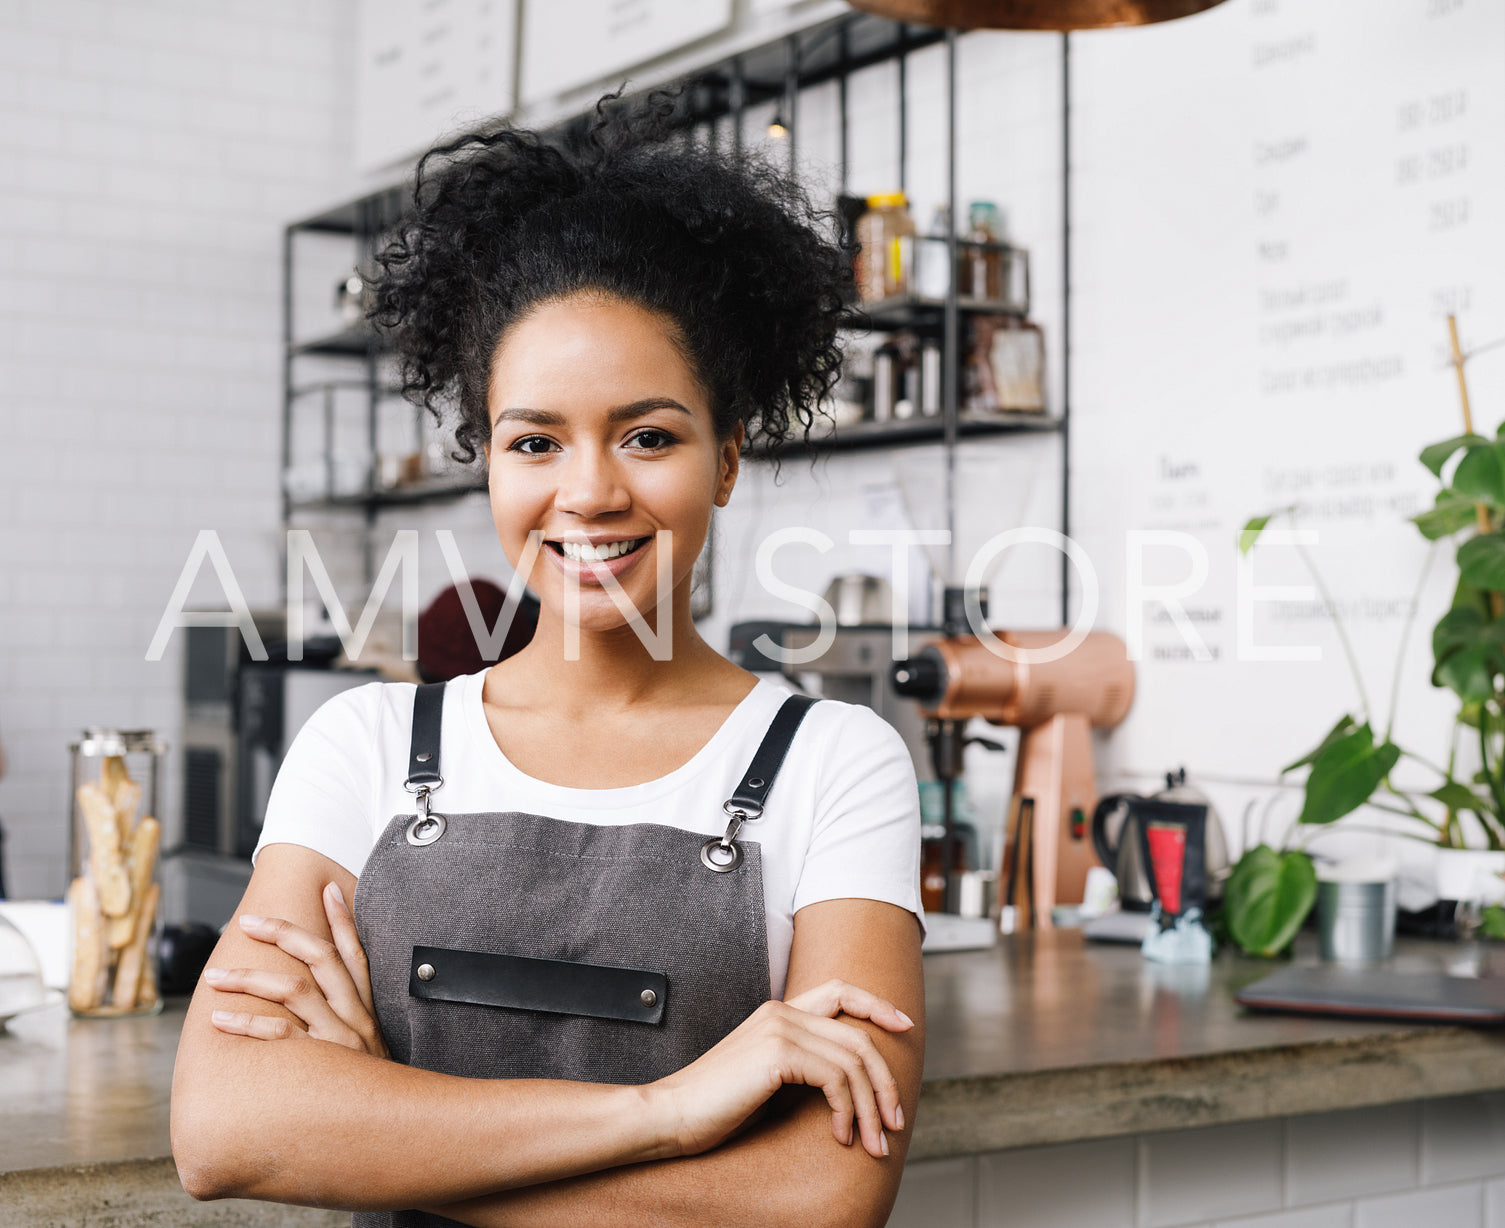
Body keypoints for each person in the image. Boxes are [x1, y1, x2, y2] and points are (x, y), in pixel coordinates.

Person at [171, 95, 925, 1228]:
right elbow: (227, 1126)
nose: (588, 492)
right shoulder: (365, 748)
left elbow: (822, 1195)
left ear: (725, 457)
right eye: (534, 440)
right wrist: (664, 1113)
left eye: (648, 435)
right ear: (487, 463)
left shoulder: (837, 763)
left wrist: (384, 1128)